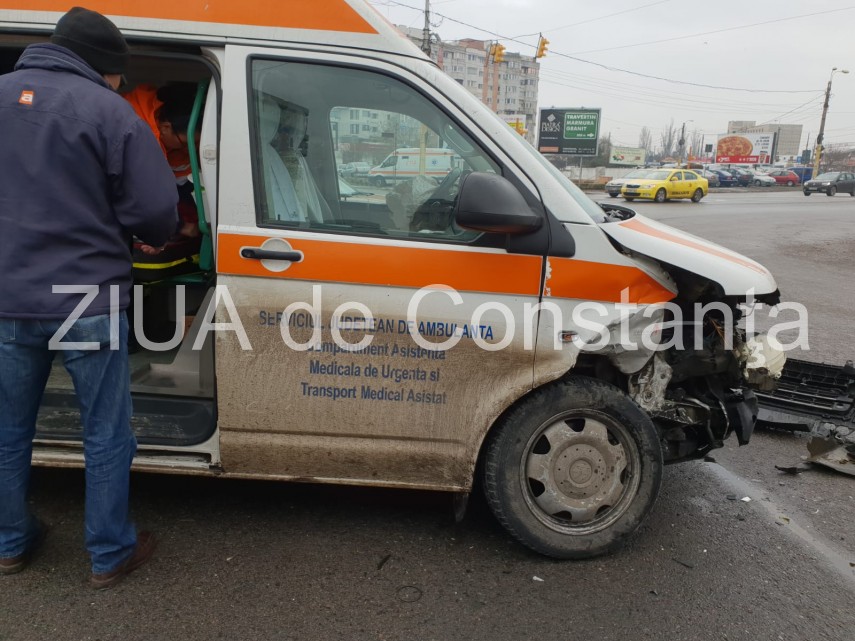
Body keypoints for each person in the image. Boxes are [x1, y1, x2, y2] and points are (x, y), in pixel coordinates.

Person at [0, 7, 178, 588]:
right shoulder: (110, 113)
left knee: (7, 430)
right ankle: (109, 552)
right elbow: (155, 214)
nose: (121, 86)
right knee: (105, 431)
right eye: (118, 76)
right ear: (101, 67)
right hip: (84, 296)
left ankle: (10, 543)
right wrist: (146, 236)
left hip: (6, 294)